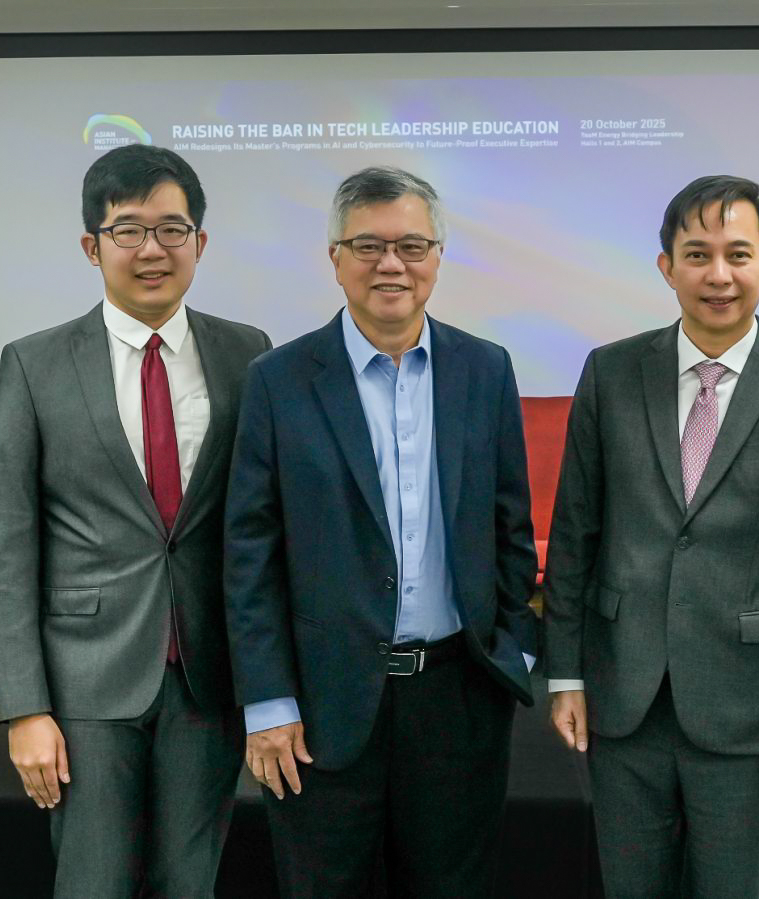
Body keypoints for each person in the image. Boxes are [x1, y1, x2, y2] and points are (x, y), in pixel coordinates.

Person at [223, 166, 539, 898]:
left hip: (458, 697)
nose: (390, 264)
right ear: (335, 257)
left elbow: (511, 525)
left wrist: (514, 648)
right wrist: (268, 703)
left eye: (410, 245)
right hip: (321, 707)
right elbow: (250, 556)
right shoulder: (277, 379)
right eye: (367, 245)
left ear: (437, 256)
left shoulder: (485, 369)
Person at [542, 175, 759, 898]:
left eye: (738, 254)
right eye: (697, 254)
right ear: (667, 266)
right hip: (623, 700)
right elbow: (575, 531)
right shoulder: (612, 371)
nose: (719, 275)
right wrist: (565, 670)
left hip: (750, 705)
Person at [0, 144, 270, 898]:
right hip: (84, 682)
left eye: (173, 229)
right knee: (94, 882)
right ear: (91, 245)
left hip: (209, 676)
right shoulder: (34, 364)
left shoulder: (249, 355)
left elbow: (263, 528)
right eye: (128, 230)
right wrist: (26, 706)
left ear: (200, 243)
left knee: (189, 881)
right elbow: (5, 547)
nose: (152, 250)